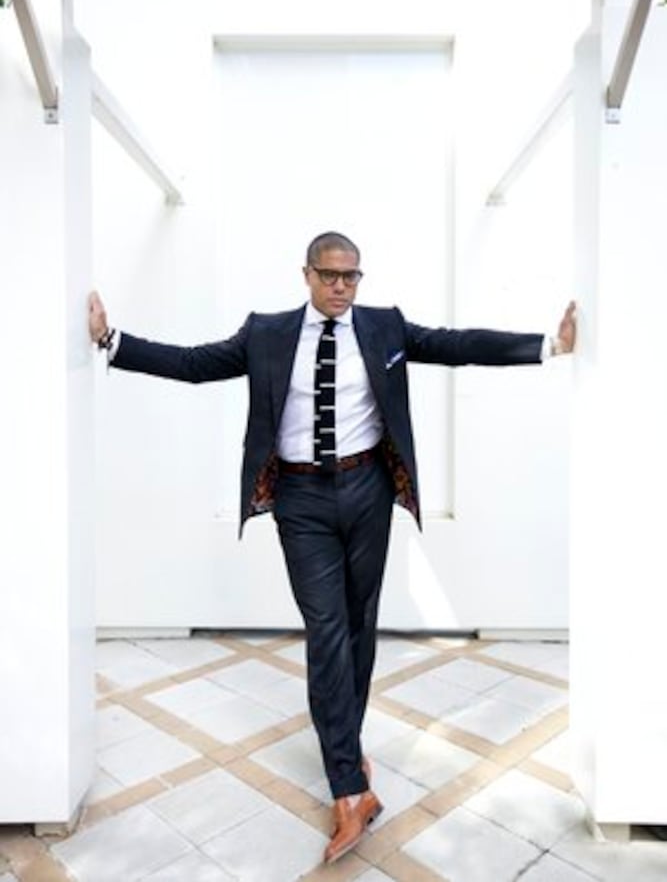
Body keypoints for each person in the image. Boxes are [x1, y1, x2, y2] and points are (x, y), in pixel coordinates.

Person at [88, 230, 576, 864]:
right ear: (307, 275)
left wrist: (547, 345)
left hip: (368, 488)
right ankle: (349, 788)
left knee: (359, 626)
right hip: (301, 499)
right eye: (330, 276)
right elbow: (195, 363)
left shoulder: (384, 326)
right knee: (326, 630)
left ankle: (346, 744)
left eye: (352, 276)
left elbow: (455, 345)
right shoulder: (266, 333)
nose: (342, 287)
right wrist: (111, 339)